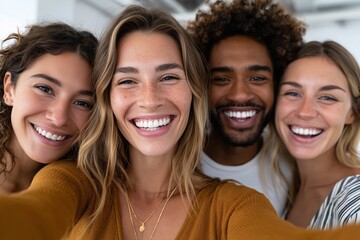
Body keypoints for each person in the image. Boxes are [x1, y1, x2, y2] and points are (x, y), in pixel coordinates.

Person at [2, 5, 360, 240]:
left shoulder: (234, 203)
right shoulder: (73, 182)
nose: (150, 98)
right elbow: (34, 216)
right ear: (107, 98)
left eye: (169, 77)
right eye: (127, 80)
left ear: (193, 90)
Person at [186, 0, 306, 214]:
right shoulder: (178, 165)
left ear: (276, 84)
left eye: (258, 78)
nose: (240, 94)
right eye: (222, 78)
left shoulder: (295, 168)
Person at [271, 40, 360, 229]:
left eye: (327, 97)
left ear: (351, 113)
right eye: (293, 93)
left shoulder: (354, 200)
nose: (305, 112)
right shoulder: (289, 190)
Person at [0, 22, 97, 193]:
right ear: (9, 89)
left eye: (82, 103)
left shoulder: (86, 193)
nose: (59, 119)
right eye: (45, 89)